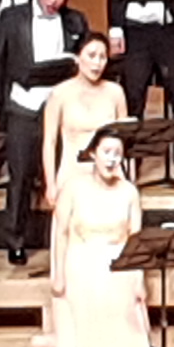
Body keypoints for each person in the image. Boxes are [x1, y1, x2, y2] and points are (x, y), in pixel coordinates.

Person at [44, 131, 158, 347]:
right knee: (84, 342)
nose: (111, 159)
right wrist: (58, 274)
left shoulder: (129, 192)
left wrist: (139, 278)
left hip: (119, 270)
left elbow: (135, 239)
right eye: (106, 151)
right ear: (93, 153)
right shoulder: (73, 187)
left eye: (117, 153)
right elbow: (61, 232)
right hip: (81, 267)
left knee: (120, 342)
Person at [0, 0, 92, 263]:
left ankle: (69, 236)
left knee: (66, 174)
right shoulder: (11, 17)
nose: (54, 0)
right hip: (24, 106)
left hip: (62, 107)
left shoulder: (75, 20)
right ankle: (15, 239)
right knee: (21, 176)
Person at [33, 32, 130, 248]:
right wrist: (50, 184)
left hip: (110, 171)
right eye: (91, 55)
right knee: (74, 241)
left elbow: (125, 138)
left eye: (102, 57)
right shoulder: (60, 93)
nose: (97, 63)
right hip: (73, 172)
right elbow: (49, 142)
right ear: (78, 57)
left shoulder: (115, 92)